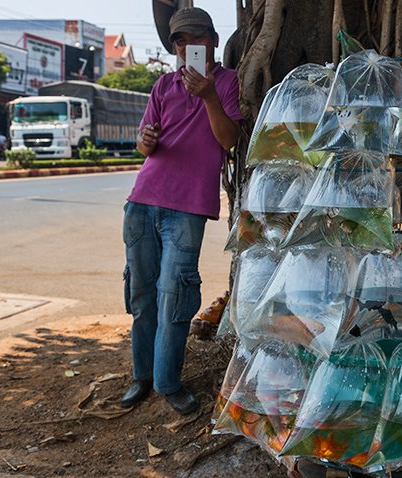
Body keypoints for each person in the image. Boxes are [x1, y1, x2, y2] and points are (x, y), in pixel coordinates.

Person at [120, 7, 243, 414]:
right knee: (142, 295)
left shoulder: (226, 83)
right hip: (142, 200)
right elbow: (144, 145)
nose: (187, 45)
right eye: (179, 40)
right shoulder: (163, 84)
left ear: (212, 40)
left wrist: (207, 95)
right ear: (175, 46)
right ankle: (142, 377)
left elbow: (227, 140)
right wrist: (147, 139)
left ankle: (168, 381)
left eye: (196, 37)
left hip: (187, 209)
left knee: (174, 298)